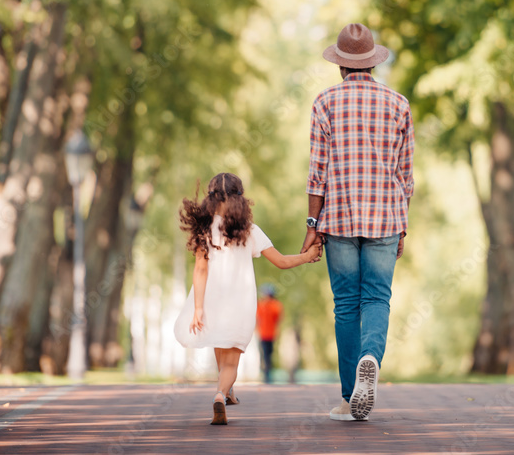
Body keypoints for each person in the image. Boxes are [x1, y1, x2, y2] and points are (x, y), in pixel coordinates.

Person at [301, 23, 415, 422]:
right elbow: (405, 176)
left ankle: (351, 396)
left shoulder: (325, 102)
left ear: (341, 66)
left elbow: (318, 171)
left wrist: (313, 223)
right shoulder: (398, 104)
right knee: (377, 299)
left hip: (339, 219)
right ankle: (371, 357)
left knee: (346, 304)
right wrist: (402, 224)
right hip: (386, 216)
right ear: (372, 63)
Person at [173, 172, 320, 425]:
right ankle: (220, 394)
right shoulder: (250, 231)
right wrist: (307, 257)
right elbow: (282, 262)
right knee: (232, 363)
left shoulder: (205, 230)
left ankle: (226, 391)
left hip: (212, 301)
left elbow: (200, 269)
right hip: (240, 303)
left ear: (210, 199)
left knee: (221, 349)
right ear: (241, 199)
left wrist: (198, 308)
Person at [256, 284, 283, 383]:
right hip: (263, 333)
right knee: (265, 354)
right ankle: (265, 373)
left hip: (269, 334)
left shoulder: (273, 305)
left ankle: (267, 373)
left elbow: (277, 317)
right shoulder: (273, 304)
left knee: (267, 354)